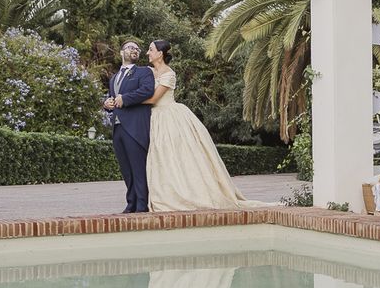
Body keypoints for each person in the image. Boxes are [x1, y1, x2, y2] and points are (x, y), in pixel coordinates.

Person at [143, 40, 276, 212]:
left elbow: (154, 99)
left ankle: (183, 193)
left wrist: (128, 102)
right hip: (154, 118)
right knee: (160, 157)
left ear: (160, 53)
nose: (148, 53)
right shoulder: (148, 72)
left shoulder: (169, 74)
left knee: (175, 156)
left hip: (169, 117)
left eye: (151, 50)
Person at [104, 41, 155, 213]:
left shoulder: (144, 72)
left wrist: (125, 99)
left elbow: (147, 91)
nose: (134, 50)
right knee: (126, 168)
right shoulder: (114, 78)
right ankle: (131, 203)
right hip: (117, 128)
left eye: (137, 49)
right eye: (130, 47)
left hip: (135, 126)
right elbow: (113, 98)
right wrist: (107, 103)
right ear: (121, 52)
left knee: (138, 167)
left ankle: (142, 204)